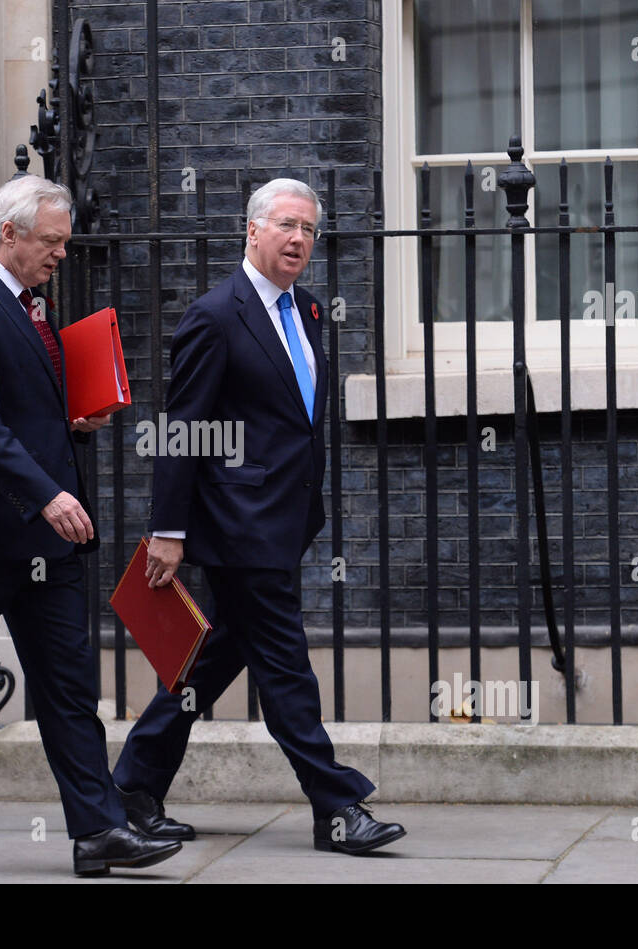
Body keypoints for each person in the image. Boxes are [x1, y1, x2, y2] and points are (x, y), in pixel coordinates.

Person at [0, 175, 181, 878]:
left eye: (64, 242)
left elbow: (16, 409)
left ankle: (99, 829)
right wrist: (47, 492)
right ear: (8, 234)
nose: (60, 253)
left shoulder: (31, 306)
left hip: (43, 542)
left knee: (68, 686)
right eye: (51, 242)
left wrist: (69, 421)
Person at [113, 177, 406, 855]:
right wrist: (168, 530)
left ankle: (133, 783)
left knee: (215, 655)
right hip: (237, 526)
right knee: (285, 662)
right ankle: (337, 805)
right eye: (286, 225)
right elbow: (182, 428)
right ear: (252, 230)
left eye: (309, 229)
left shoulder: (305, 311)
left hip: (283, 521)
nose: (299, 238)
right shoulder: (217, 315)